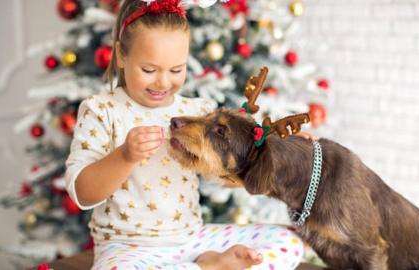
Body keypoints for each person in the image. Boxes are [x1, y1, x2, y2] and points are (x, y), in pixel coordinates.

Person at [65, 0, 308, 269]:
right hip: (127, 248)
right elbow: (83, 194)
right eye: (149, 70)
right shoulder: (102, 110)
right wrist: (125, 156)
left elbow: (233, 169)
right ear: (122, 55)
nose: (163, 82)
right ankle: (210, 267)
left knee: (287, 240)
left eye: (176, 70)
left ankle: (204, 262)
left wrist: (289, 152)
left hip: (192, 239)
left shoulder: (197, 111)